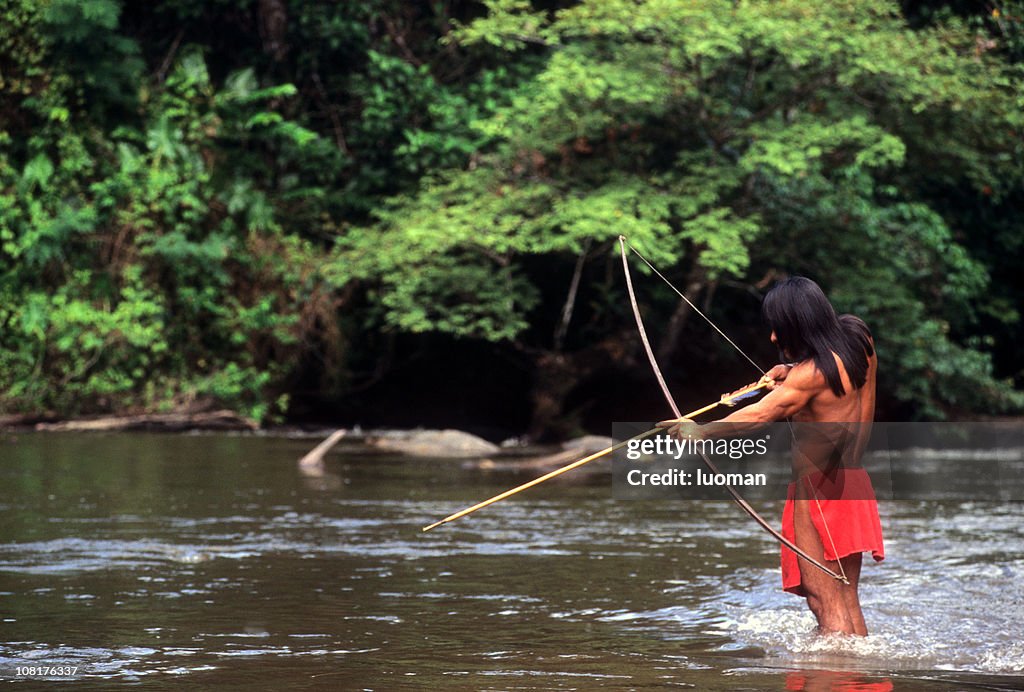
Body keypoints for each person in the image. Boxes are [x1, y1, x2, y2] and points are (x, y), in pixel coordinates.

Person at [660, 276, 883, 635]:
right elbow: (835, 381)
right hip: (852, 482)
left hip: (818, 490)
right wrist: (792, 370)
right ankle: (858, 680)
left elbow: (759, 414)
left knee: (823, 599)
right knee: (844, 596)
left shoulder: (809, 377)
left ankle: (834, 676)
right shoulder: (858, 339)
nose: (774, 339)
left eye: (780, 329)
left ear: (799, 326)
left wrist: (700, 431)